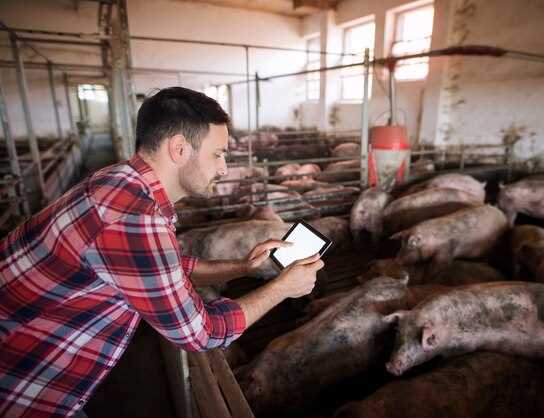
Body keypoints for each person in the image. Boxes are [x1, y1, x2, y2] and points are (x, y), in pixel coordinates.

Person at [0, 87, 324, 418]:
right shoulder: (136, 218)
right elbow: (203, 333)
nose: (224, 168)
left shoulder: (118, 181)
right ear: (180, 149)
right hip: (25, 386)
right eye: (218, 154)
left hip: (32, 357)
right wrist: (283, 287)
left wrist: (242, 267)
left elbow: (162, 266)